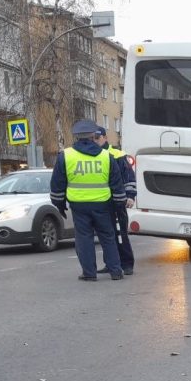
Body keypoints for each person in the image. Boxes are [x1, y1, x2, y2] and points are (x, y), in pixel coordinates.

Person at [50, 119, 127, 281]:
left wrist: (59, 204)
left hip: (79, 205)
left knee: (84, 239)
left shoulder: (66, 155)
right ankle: (116, 271)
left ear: (76, 137)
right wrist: (119, 204)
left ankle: (89, 273)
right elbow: (116, 183)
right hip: (103, 204)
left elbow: (57, 184)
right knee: (108, 237)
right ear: (94, 135)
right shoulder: (106, 156)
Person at [94, 127, 136, 275]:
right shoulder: (93, 156)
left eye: (97, 138)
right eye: (92, 138)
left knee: (120, 233)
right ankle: (111, 263)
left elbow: (129, 177)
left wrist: (130, 195)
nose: (95, 141)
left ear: (105, 138)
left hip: (118, 202)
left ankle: (127, 264)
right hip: (102, 202)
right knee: (107, 235)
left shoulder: (117, 154)